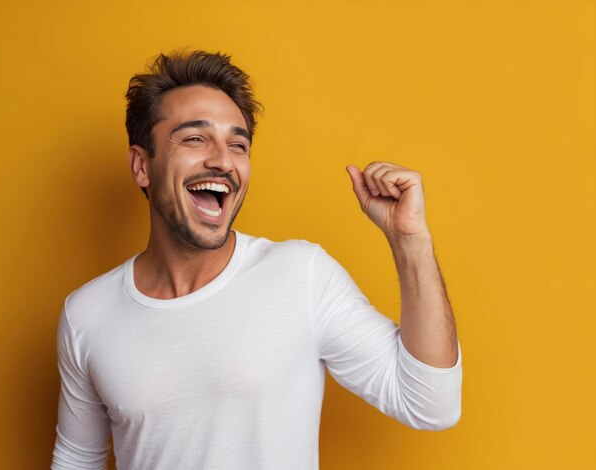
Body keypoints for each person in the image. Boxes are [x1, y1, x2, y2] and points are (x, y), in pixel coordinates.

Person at [51, 50, 462, 470]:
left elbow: (431, 404)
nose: (223, 160)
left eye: (238, 144)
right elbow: (77, 458)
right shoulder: (87, 315)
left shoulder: (300, 276)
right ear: (142, 165)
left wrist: (410, 241)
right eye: (195, 138)